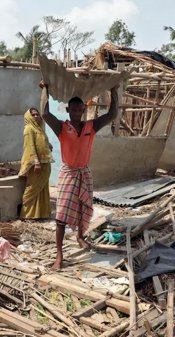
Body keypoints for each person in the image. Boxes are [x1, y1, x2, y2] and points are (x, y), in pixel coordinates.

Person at [39, 82, 119, 269]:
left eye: (79, 110)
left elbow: (112, 115)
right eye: (73, 110)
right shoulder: (61, 127)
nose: (76, 113)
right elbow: (45, 114)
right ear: (68, 110)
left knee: (84, 209)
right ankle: (59, 255)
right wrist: (45, 90)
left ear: (83, 110)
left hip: (84, 173)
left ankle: (80, 236)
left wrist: (113, 91)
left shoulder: (91, 126)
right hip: (68, 173)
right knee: (60, 217)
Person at [18, 107, 53, 219]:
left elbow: (41, 142)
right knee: (33, 188)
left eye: (37, 114)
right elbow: (30, 147)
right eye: (33, 115)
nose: (36, 116)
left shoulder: (39, 129)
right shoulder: (29, 129)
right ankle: (26, 214)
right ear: (28, 117)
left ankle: (40, 214)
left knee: (42, 188)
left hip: (45, 162)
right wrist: (36, 162)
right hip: (36, 165)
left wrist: (48, 145)